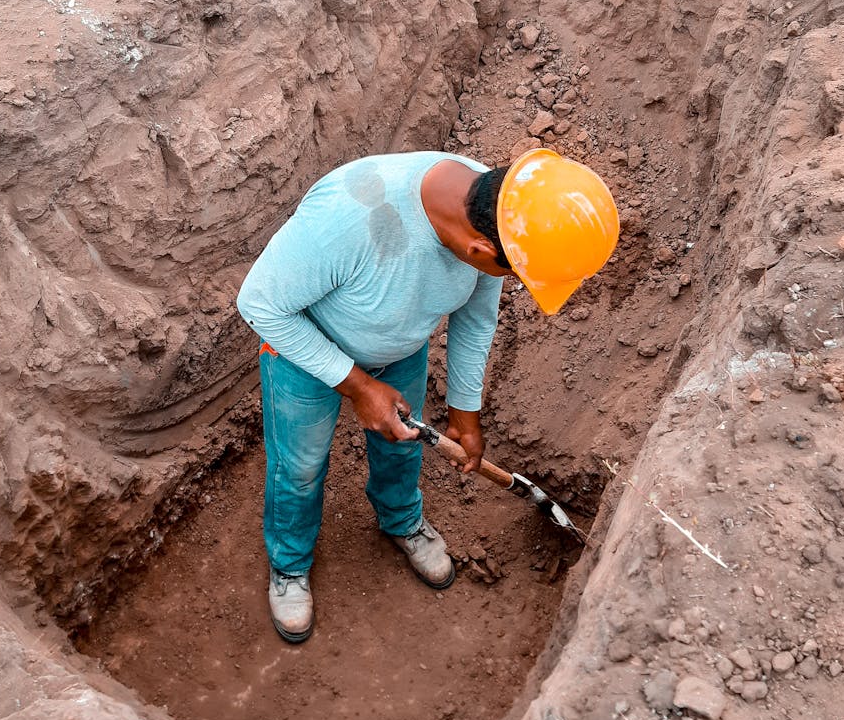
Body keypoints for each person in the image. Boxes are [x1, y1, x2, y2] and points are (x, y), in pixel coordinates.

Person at [236, 147, 619, 642]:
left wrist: (465, 413)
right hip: (301, 356)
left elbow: (475, 321)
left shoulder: (502, 211)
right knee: (300, 468)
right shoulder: (344, 220)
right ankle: (289, 564)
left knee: (402, 446)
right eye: (512, 274)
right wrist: (360, 387)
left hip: (401, 348)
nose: (510, 282)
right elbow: (260, 305)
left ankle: (401, 520)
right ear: (478, 252)